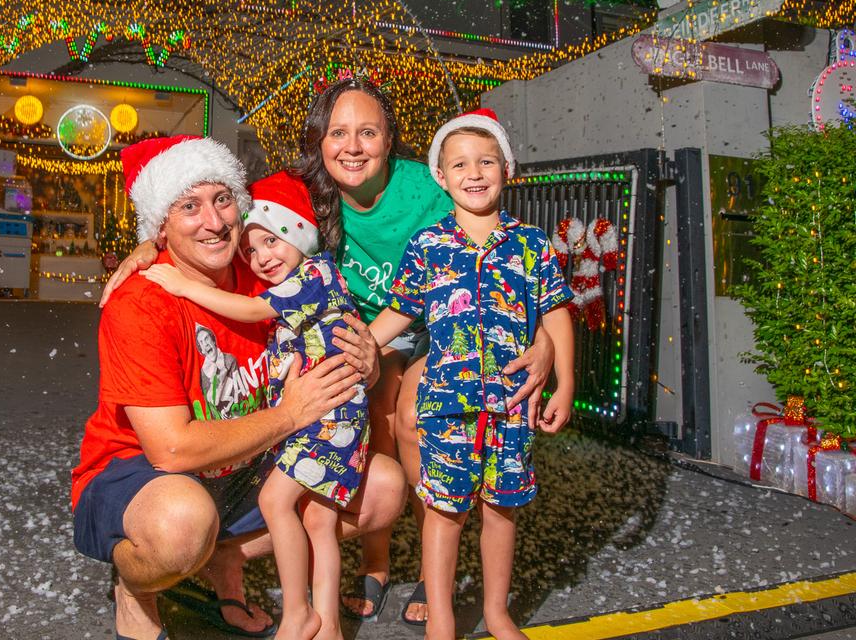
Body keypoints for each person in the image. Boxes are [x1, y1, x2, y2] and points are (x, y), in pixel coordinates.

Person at [100, 78, 556, 626]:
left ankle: (421, 574)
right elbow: (215, 212)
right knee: (374, 411)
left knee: (406, 417)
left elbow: (503, 249)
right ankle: (362, 563)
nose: (353, 146)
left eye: (368, 132)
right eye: (338, 132)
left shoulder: (432, 186)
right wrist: (147, 245)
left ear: (391, 140)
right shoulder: (305, 191)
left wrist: (545, 337)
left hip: (435, 327)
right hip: (360, 330)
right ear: (319, 142)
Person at [73, 135, 405, 640]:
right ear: (161, 223)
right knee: (179, 527)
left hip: (246, 462)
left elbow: (331, 327)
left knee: (383, 488)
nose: (214, 221)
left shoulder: (261, 274)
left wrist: (367, 363)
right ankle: (138, 585)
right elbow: (171, 448)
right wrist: (291, 415)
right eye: (189, 206)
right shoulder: (143, 302)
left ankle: (223, 555)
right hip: (142, 471)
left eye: (222, 200)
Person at [369, 108, 575, 640]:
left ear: (507, 169)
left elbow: (556, 314)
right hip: (445, 407)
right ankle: (441, 619)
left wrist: (566, 382)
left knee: (501, 511)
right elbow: (399, 312)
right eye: (459, 164)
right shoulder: (428, 246)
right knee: (444, 513)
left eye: (487, 161)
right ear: (441, 177)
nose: (474, 173)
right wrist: (359, 345)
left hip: (512, 406)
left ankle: (498, 613)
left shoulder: (532, 245)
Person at [142, 170, 368, 640]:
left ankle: (298, 614)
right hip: (328, 415)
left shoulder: (312, 276)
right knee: (319, 520)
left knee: (274, 499)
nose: (262, 258)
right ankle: (326, 625)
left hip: (329, 416)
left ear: (300, 236)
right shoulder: (308, 281)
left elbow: (250, 310)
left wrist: (183, 287)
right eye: (253, 249)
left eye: (273, 243)